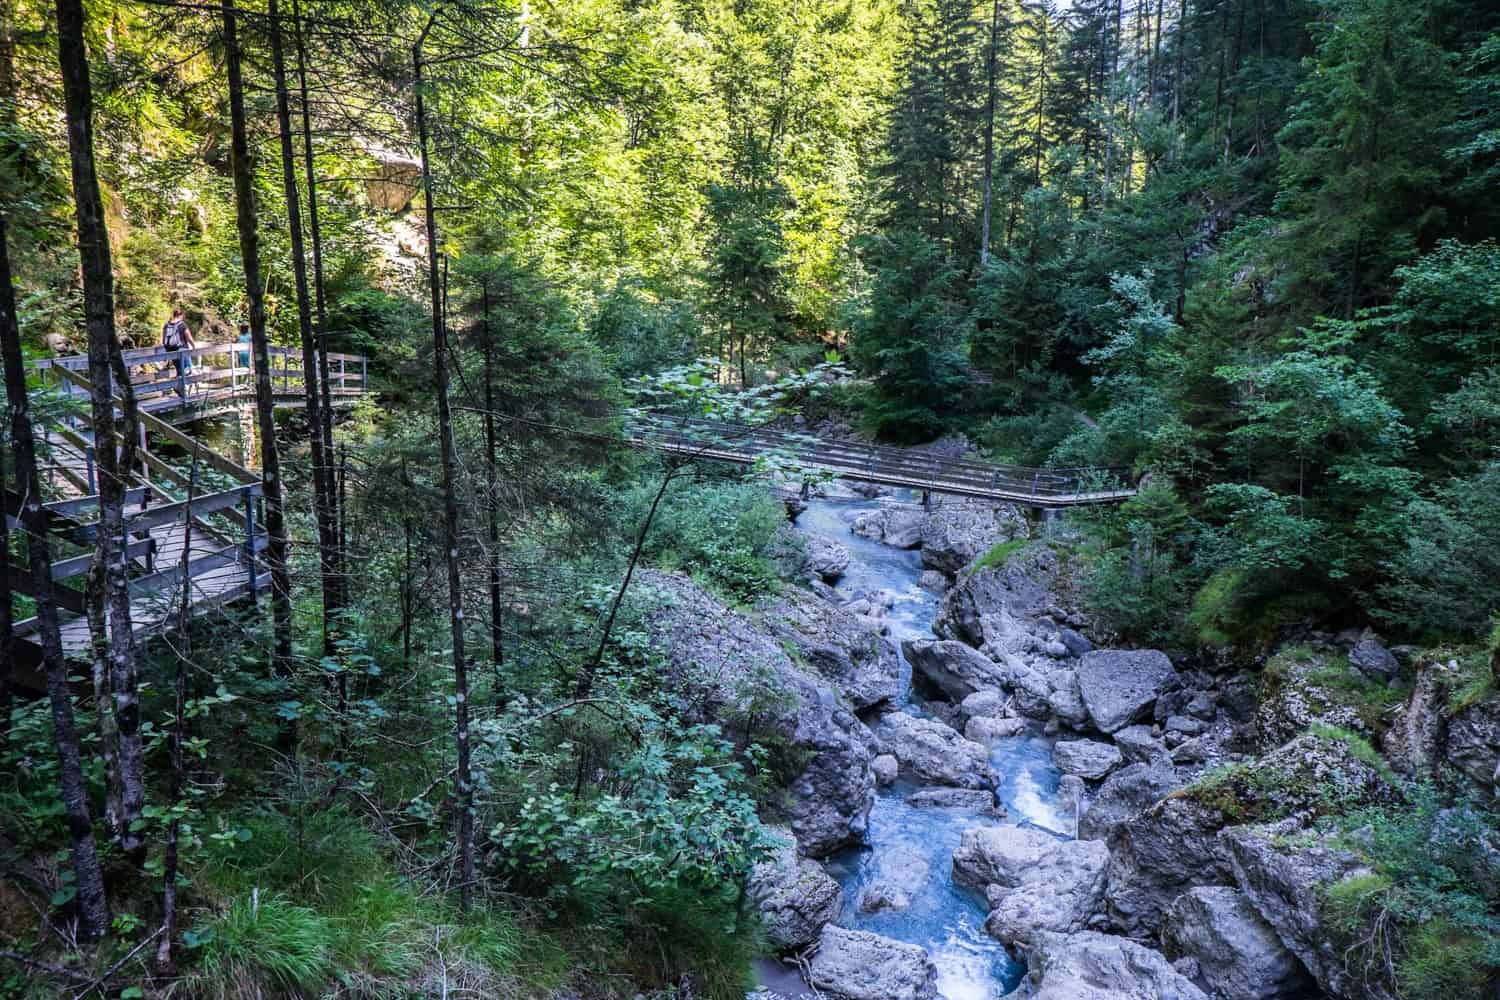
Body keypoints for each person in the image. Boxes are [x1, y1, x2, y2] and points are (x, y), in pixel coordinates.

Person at [162, 307, 197, 397]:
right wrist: (193, 347)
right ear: (181, 315)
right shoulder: (182, 325)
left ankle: (181, 392)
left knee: (180, 371)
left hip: (171, 351)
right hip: (182, 350)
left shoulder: (167, 325)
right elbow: (189, 337)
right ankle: (179, 388)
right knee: (187, 370)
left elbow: (164, 339)